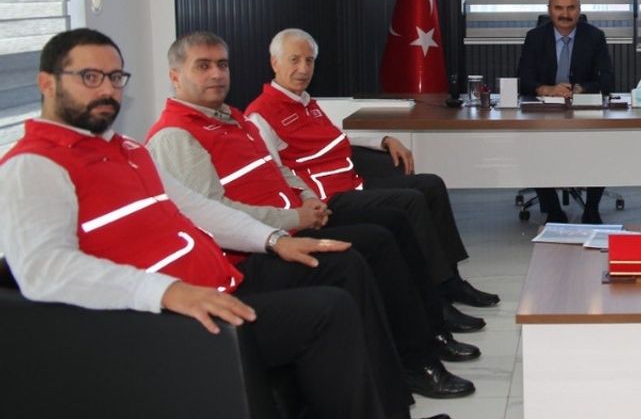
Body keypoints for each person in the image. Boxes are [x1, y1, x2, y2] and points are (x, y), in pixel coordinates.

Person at [0, 28, 419, 419]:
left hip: (219, 284)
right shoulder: (33, 165)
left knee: (338, 270)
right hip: (164, 318)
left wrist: (275, 240)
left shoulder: (128, 150)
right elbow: (44, 269)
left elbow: (199, 208)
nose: (107, 89)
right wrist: (167, 291)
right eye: (90, 77)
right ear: (47, 83)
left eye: (115, 77)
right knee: (328, 311)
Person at [145, 31, 481, 399]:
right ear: (175, 76)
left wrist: (306, 199)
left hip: (293, 223)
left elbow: (279, 169)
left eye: (222, 65)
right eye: (203, 66)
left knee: (389, 230)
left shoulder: (233, 118)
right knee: (358, 256)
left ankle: (426, 339)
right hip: (253, 252)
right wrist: (295, 220)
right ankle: (408, 370)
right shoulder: (177, 136)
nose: (216, 74)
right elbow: (213, 214)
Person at [246, 27, 499, 309]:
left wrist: (384, 139)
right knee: (411, 201)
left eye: (309, 60)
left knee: (431, 184)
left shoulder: (306, 103)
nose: (303, 69)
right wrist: (306, 203)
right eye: (294, 60)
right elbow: (272, 172)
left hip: (352, 183)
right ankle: (435, 295)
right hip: (327, 200)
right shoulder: (261, 114)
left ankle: (451, 281)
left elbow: (338, 138)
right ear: (275, 63)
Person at [516, 0, 616, 224]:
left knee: (602, 145)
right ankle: (553, 210)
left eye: (571, 8)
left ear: (579, 10)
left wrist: (579, 89)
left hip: (583, 110)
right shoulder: (535, 37)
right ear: (549, 10)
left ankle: (591, 209)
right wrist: (546, 89)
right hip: (544, 111)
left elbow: (608, 81)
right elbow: (524, 80)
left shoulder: (595, 36)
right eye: (559, 8)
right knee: (533, 146)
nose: (565, 14)